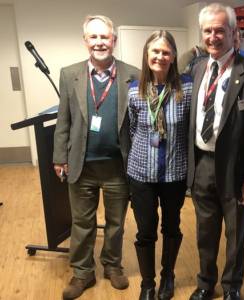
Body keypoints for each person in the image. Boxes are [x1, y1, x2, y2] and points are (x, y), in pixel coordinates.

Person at [53, 15, 139, 300]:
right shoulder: (69, 74)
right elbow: (63, 120)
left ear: (113, 40)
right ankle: (82, 273)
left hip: (118, 166)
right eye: (94, 37)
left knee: (116, 223)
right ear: (85, 41)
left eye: (105, 37)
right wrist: (59, 157)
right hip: (81, 165)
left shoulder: (133, 74)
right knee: (82, 223)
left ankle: (112, 266)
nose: (100, 42)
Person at [187, 3, 244, 300]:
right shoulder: (197, 70)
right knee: (205, 233)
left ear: (234, 33)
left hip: (236, 168)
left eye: (220, 30)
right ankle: (206, 283)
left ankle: (232, 287)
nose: (213, 36)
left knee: (236, 235)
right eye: (208, 30)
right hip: (202, 164)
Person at [127, 30, 192, 300]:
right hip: (141, 173)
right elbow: (132, 130)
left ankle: (168, 275)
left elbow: (190, 129)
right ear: (146, 55)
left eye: (166, 52)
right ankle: (147, 283)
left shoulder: (187, 87)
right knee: (145, 231)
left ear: (173, 55)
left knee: (172, 227)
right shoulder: (135, 89)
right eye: (155, 51)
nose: (160, 56)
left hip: (174, 173)